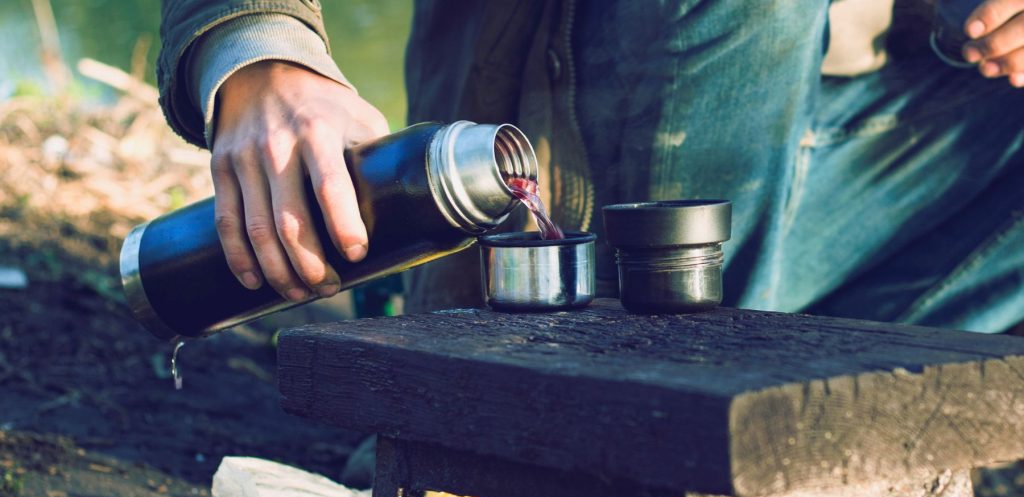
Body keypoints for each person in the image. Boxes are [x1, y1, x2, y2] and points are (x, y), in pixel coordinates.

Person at [157, 0, 1023, 334]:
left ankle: (786, 429)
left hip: (850, 143)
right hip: (571, 132)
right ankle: (527, 415)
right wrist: (258, 48)